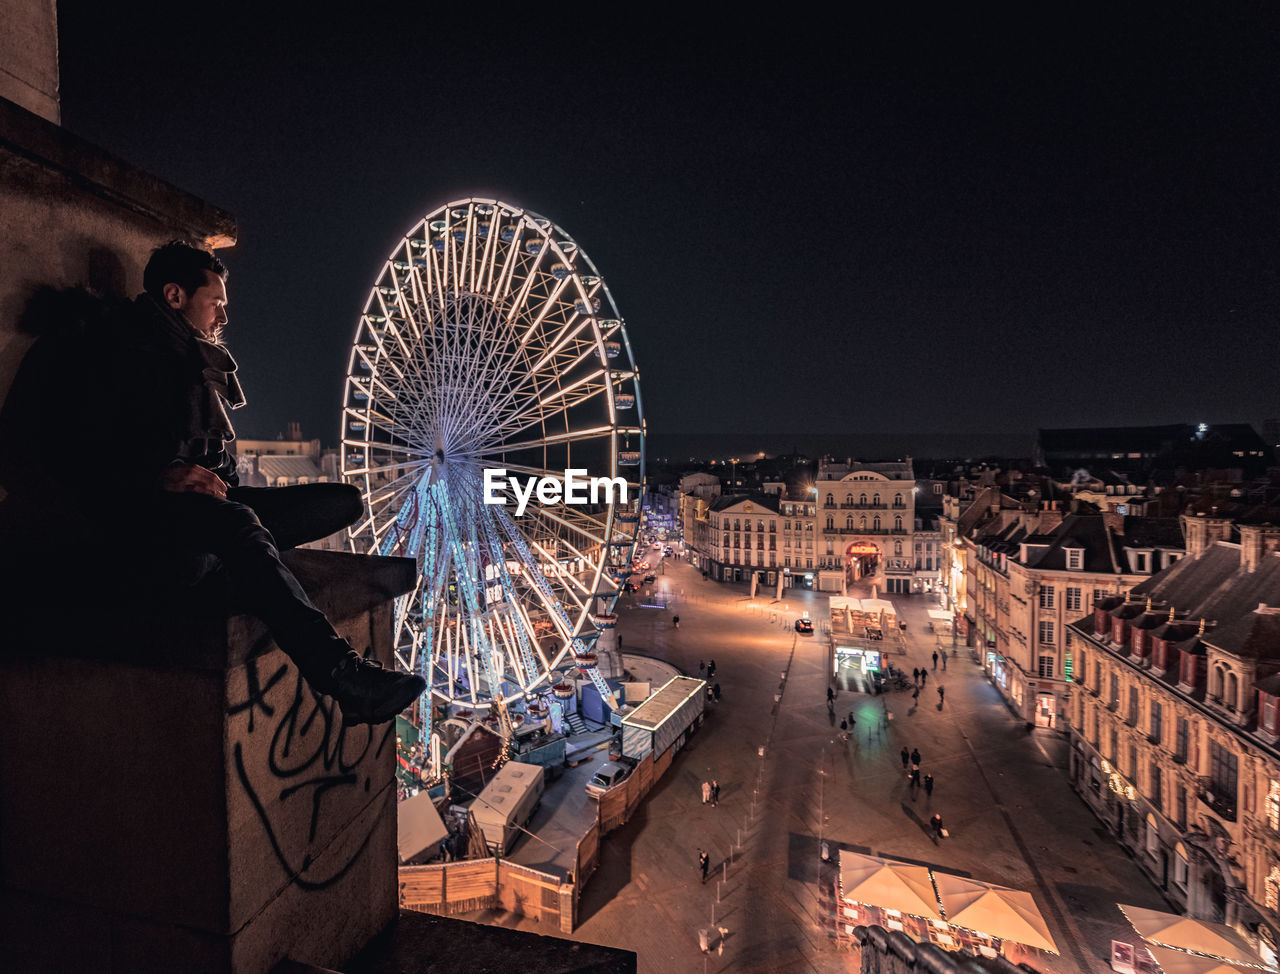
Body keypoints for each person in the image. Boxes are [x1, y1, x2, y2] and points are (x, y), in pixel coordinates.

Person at [0, 241, 424, 726]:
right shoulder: (105, 352)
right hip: (128, 514)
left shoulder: (198, 361)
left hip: (198, 510)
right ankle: (342, 676)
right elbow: (51, 455)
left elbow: (215, 462)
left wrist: (216, 478)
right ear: (175, 295)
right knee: (236, 522)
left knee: (342, 502)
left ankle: (238, 556)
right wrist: (157, 476)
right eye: (216, 300)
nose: (224, 312)